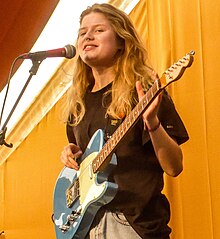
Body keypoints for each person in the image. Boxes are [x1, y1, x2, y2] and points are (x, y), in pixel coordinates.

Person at [60, 3, 189, 239]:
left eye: (99, 30)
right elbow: (82, 165)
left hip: (132, 224)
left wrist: (153, 123)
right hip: (86, 226)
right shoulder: (77, 104)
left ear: (121, 41)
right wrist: (69, 156)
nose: (88, 35)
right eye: (82, 32)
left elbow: (174, 166)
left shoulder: (143, 91)